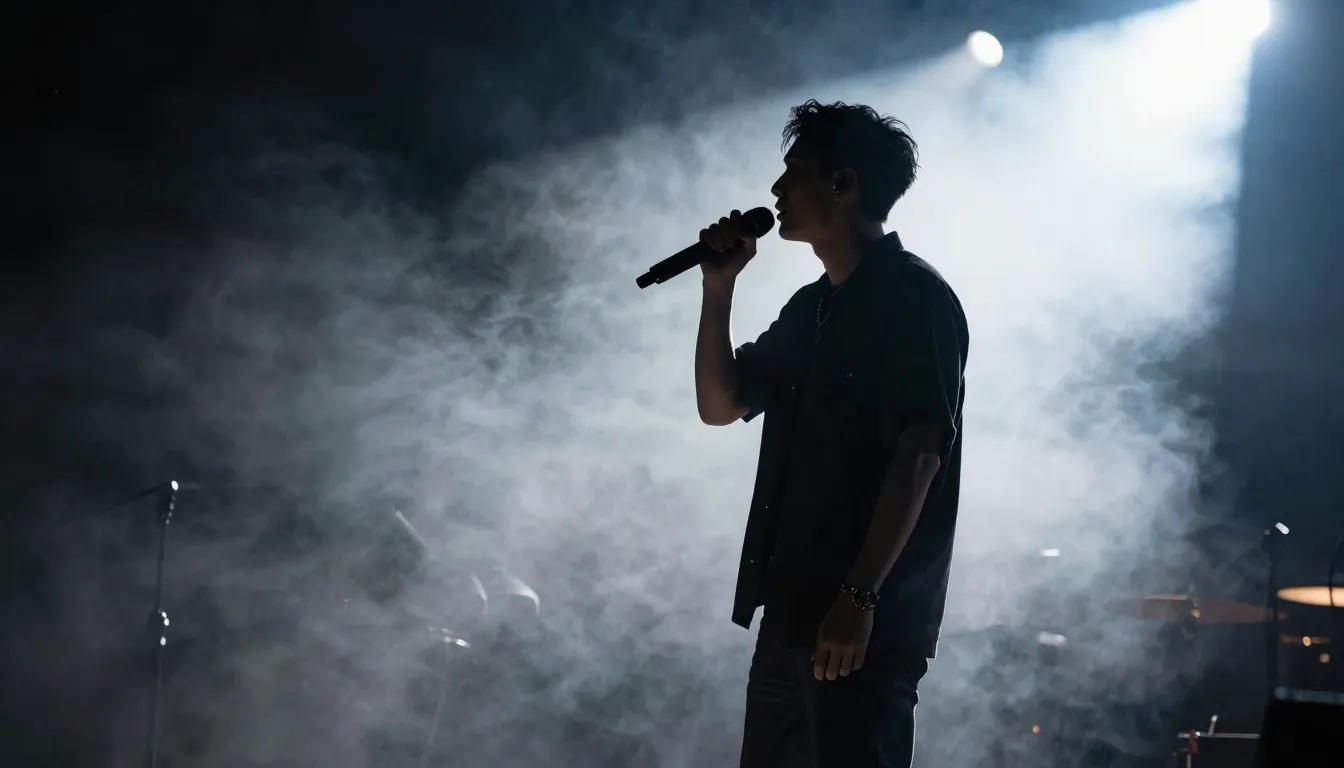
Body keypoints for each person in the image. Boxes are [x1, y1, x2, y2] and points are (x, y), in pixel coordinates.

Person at [693, 100, 969, 768]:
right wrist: (718, 288)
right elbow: (721, 405)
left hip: (862, 623)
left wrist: (858, 596)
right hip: (789, 612)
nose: (776, 190)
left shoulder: (916, 298)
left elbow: (920, 457)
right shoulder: (810, 308)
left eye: (794, 174)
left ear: (843, 183)